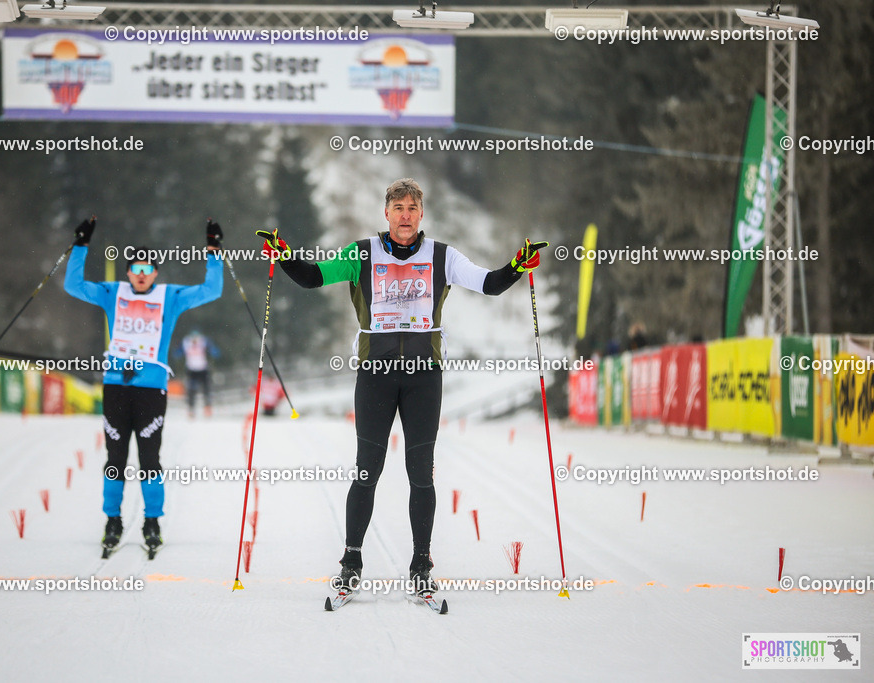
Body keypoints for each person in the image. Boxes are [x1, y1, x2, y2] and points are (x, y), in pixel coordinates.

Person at [257, 178, 546, 594]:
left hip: (423, 378)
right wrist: (285, 257)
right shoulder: (361, 254)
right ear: (386, 213)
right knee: (366, 471)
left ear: (421, 214)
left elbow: (489, 283)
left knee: (420, 474)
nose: (406, 215)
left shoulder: (442, 256)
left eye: (412, 208)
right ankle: (351, 559)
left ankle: (421, 563)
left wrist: (517, 265)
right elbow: (313, 277)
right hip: (375, 375)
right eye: (398, 208)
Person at [65, 217, 224, 555]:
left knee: (150, 459)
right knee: (115, 458)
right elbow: (73, 286)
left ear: (155, 273)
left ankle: (152, 521)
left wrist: (213, 250)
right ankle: (113, 520)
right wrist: (80, 245)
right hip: (116, 388)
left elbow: (212, 290)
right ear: (127, 272)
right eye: (134, 267)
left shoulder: (171, 297)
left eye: (147, 268)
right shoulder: (113, 293)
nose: (140, 273)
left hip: (151, 391)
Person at [176, 331, 219, 417]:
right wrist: (178, 353)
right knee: (191, 390)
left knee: (206, 389)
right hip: (192, 370)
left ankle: (207, 407)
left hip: (203, 369)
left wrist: (214, 351)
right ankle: (191, 409)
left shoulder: (203, 341)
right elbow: (178, 352)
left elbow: (213, 350)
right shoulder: (186, 342)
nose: (194, 341)